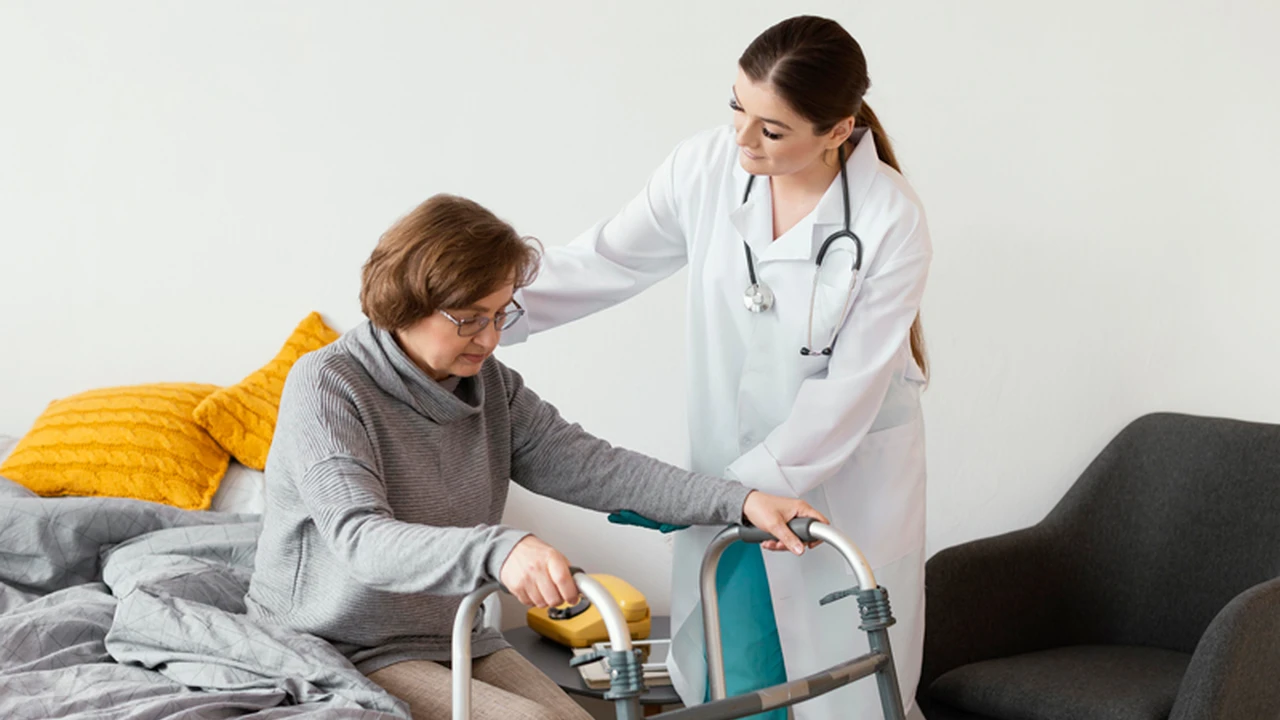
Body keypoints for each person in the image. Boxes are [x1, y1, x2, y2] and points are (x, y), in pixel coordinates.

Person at [244, 193, 826, 720]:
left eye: (501, 315)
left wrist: (741, 502)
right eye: (469, 319)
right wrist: (502, 549)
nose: (491, 337)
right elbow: (360, 538)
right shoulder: (327, 384)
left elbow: (594, 467)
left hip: (453, 629)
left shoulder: (490, 386)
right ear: (403, 302)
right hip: (340, 640)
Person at [502, 15, 931, 720]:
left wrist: (730, 494)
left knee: (840, 681)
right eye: (736, 107)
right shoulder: (704, 168)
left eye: (771, 129)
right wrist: (490, 309)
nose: (741, 138)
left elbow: (846, 393)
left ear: (836, 131)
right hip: (730, 477)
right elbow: (607, 258)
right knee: (736, 657)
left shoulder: (890, 219)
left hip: (837, 482)